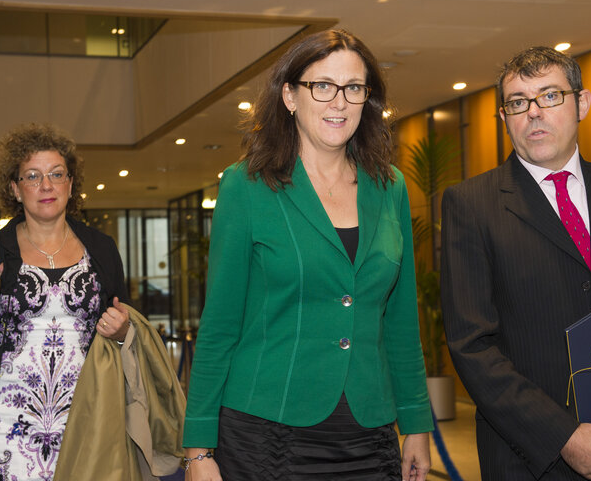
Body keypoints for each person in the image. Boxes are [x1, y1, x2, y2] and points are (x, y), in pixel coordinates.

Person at [182, 29, 433, 481]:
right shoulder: (246, 184)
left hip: (370, 432)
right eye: (323, 86)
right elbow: (219, 323)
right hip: (266, 432)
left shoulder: (390, 186)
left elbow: (399, 321)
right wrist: (198, 451)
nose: (339, 102)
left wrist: (417, 423)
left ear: (367, 100)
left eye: (353, 88)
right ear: (290, 96)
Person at [441, 46, 591, 480]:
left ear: (582, 103)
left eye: (550, 96)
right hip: (529, 458)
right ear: (504, 118)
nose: (533, 113)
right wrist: (564, 438)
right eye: (518, 102)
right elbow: (472, 343)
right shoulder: (471, 206)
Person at [0, 123, 130, 481]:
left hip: (88, 418)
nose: (46, 185)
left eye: (57, 174)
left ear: (71, 184)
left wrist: (121, 330)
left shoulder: (101, 248)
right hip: (5, 426)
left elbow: (127, 326)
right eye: (32, 176)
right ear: (15, 188)